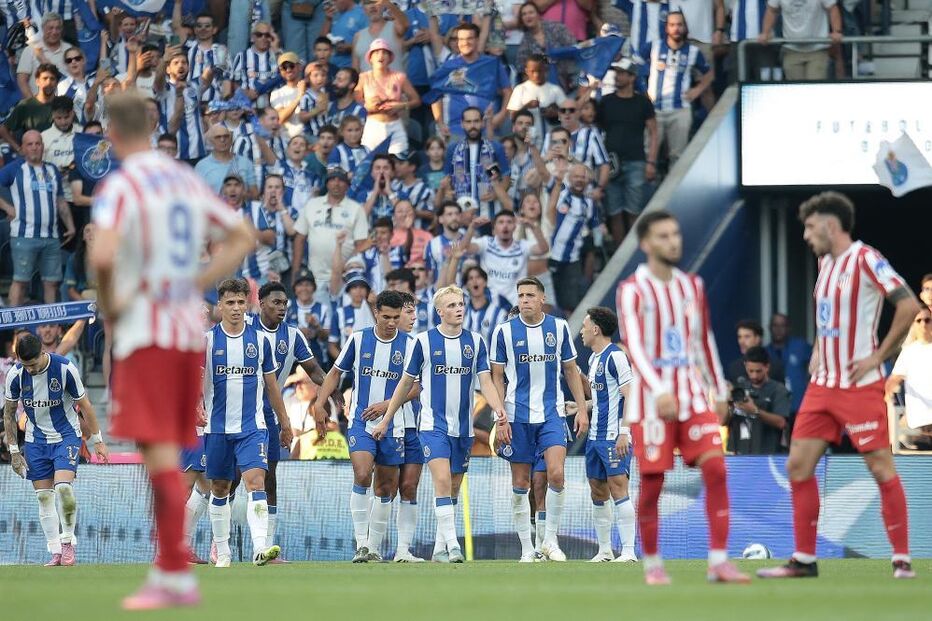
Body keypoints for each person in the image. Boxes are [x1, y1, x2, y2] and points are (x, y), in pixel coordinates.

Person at [88, 91, 254, 610]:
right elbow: (243, 234)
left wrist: (112, 302)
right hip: (188, 332)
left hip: (148, 331)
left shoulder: (122, 185)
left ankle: (174, 572)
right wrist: (192, 284)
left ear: (112, 134)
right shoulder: (184, 179)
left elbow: (105, 253)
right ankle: (173, 570)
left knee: (156, 449)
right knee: (160, 447)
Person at [759, 192, 920, 580]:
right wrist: (818, 349)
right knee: (798, 466)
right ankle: (804, 559)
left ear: (831, 226)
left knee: (881, 469)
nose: (806, 235)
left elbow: (910, 305)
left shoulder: (867, 258)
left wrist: (878, 357)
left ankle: (901, 560)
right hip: (822, 384)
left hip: (858, 385)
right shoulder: (824, 263)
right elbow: (830, 317)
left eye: (811, 227)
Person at [616, 210, 749, 585]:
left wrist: (720, 387)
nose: (673, 241)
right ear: (646, 244)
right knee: (653, 483)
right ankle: (653, 564)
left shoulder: (692, 285)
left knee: (716, 469)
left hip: (691, 396)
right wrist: (658, 390)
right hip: (650, 402)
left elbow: (702, 339)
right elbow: (634, 345)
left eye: (675, 234)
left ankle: (719, 561)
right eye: (663, 236)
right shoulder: (632, 290)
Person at [378, 285, 507, 563]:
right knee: (442, 480)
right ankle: (453, 546)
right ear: (439, 312)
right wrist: (387, 417)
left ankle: (438, 549)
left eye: (460, 304)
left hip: (463, 429)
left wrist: (499, 409)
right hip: (432, 426)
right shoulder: (423, 342)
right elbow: (405, 384)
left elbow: (485, 381)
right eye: (451, 305)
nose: (458, 309)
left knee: (453, 489)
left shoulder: (475, 342)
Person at [490, 276, 589, 562]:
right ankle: (526, 548)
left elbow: (571, 371)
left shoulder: (558, 328)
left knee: (556, 474)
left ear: (542, 299)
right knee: (521, 483)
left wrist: (582, 409)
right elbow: (497, 377)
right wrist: (500, 416)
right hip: (516, 416)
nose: (524, 300)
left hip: (551, 414)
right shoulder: (504, 332)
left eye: (530, 295)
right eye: (521, 296)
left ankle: (550, 541)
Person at [316, 290, 418, 562]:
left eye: (397, 317)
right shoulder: (359, 339)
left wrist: (386, 405)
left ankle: (373, 547)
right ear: (376, 313)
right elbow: (336, 372)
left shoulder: (410, 344)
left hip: (393, 424)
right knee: (362, 474)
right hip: (361, 422)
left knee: (385, 488)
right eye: (386, 316)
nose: (392, 322)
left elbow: (417, 386)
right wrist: (319, 403)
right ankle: (361, 542)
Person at [202, 278, 291, 569]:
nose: (236, 308)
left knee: (256, 482)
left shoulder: (260, 341)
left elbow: (273, 386)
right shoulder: (207, 342)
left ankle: (260, 549)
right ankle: (224, 553)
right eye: (230, 303)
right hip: (216, 429)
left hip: (253, 427)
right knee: (219, 488)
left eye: (241, 302)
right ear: (220, 306)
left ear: (248, 304)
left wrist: (285, 421)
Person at [3, 332, 109, 567]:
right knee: (43, 497)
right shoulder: (16, 375)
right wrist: (13, 451)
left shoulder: (64, 369)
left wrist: (98, 440)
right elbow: (9, 414)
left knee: (63, 489)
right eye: (24, 364)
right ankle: (55, 551)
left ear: (42, 353)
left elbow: (85, 405)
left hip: (67, 437)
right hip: (35, 441)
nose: (28, 369)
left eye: (31, 364)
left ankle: (68, 542)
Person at [247, 281, 332, 558]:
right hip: (241, 411)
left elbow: (314, 370)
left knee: (270, 478)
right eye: (276, 302)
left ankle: (266, 547)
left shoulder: (293, 335)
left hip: (271, 414)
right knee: (229, 480)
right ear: (261, 303)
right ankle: (218, 545)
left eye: (285, 303)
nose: (282, 307)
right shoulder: (246, 329)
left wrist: (332, 392)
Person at [579, 306, 637, 563]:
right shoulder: (593, 359)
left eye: (584, 326)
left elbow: (631, 395)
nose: (581, 331)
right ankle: (604, 550)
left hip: (614, 435)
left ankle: (628, 551)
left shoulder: (616, 357)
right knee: (597, 491)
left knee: (618, 488)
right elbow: (604, 398)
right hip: (594, 437)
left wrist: (625, 432)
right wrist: (581, 407)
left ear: (596, 329)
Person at [0, 129, 76, 306]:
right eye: (29, 144)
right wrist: (6, 207)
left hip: (50, 237)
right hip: (23, 236)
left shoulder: (52, 170)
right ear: (22, 149)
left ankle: (52, 327)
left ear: (43, 147)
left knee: (51, 282)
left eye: (37, 143)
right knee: (20, 281)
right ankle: (15, 329)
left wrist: (70, 225)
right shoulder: (15, 169)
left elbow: (60, 201)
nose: (34, 148)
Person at [597, 59, 658, 244]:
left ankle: (633, 255)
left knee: (634, 213)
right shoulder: (606, 101)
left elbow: (654, 133)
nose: (617, 76)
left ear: (632, 77)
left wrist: (651, 162)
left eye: (622, 73)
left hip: (636, 162)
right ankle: (618, 258)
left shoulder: (643, 102)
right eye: (616, 73)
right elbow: (595, 131)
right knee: (615, 213)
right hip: (611, 164)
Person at [643, 11, 713, 167]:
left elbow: (710, 73)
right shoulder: (654, 46)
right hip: (655, 110)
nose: (676, 28)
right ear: (666, 28)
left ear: (685, 28)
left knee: (678, 157)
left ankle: (673, 191)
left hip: (680, 110)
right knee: (649, 155)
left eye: (680, 25)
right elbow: (635, 65)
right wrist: (643, 94)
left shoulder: (693, 51)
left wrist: (698, 90)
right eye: (672, 25)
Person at [290, 166, 369, 302]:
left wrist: (345, 267)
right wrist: (295, 272)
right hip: (314, 278)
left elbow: (361, 244)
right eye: (332, 179)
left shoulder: (356, 209)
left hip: (345, 278)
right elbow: (299, 239)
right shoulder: (312, 204)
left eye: (341, 180)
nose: (336, 183)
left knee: (343, 320)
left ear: (347, 185)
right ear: (326, 183)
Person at [431, 23, 512, 138]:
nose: (465, 43)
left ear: (478, 40)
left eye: (470, 38)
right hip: (455, 130)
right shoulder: (448, 66)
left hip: (486, 129)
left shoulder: (492, 64)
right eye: (461, 39)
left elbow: (508, 91)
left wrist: (502, 114)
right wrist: (440, 124)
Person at [462, 210, 548, 305]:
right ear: (494, 227)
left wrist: (533, 227)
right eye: (501, 222)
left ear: (515, 227)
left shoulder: (522, 246)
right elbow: (465, 249)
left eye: (509, 222)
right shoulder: (486, 243)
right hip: (490, 303)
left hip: (515, 305)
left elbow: (543, 249)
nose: (505, 226)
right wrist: (471, 227)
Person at [440, 106, 512, 219]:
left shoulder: (495, 147)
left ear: (482, 123)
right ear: (462, 124)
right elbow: (447, 178)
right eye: (468, 122)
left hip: (489, 213)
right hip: (461, 213)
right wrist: (449, 193)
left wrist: (496, 194)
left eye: (476, 121)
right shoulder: (453, 149)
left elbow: (506, 177)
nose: (472, 126)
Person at [546, 162, 599, 313]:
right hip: (551, 256)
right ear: (569, 178)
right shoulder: (559, 194)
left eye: (583, 177)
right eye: (576, 176)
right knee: (548, 303)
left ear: (588, 181)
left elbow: (594, 228)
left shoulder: (590, 204)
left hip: (572, 260)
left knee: (571, 304)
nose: (579, 180)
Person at [722, 346, 791, 455]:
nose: (754, 375)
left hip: (767, 455)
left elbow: (781, 423)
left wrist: (755, 411)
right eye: (751, 371)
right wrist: (727, 403)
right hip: (738, 454)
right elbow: (722, 422)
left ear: (767, 367)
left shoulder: (778, 390)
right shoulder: (739, 390)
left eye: (758, 371)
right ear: (745, 366)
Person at [758, 0, 843, 81]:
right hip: (791, 49)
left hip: (817, 49)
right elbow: (771, 10)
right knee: (795, 90)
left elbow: (832, 8)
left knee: (815, 88)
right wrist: (765, 32)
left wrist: (837, 31)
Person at [886, 305, 932, 434]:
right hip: (917, 421)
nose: (923, 324)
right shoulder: (908, 352)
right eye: (919, 320)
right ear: (914, 324)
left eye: (927, 320)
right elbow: (892, 382)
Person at [0, 64, 60, 148]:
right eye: (45, 78)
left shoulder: (63, 103)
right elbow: (3, 129)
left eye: (52, 79)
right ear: (37, 81)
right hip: (36, 154)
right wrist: (18, 149)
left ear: (57, 83)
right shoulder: (26, 105)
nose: (48, 83)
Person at [195, 123, 258, 197]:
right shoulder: (201, 166)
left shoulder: (245, 162)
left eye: (226, 136)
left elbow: (254, 194)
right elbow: (196, 196)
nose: (222, 140)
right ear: (211, 141)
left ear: (231, 140)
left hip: (241, 207)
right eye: (218, 137)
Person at [766, 313, 812, 414]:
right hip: (776, 409)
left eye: (782, 326)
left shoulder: (800, 346)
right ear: (769, 328)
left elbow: (815, 367)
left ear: (789, 328)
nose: (779, 329)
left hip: (800, 406)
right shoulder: (765, 353)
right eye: (775, 325)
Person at [17, 13, 70, 98]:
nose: (54, 32)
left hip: (61, 106)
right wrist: (33, 104)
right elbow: (22, 81)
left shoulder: (70, 51)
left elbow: (73, 79)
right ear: (43, 28)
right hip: (36, 105)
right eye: (50, 28)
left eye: (58, 28)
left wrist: (42, 58)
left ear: (62, 29)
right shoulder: (30, 50)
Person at [727, 319, 784, 384]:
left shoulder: (774, 367)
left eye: (747, 337)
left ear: (758, 339)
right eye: (739, 337)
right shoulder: (734, 368)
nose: (741, 342)